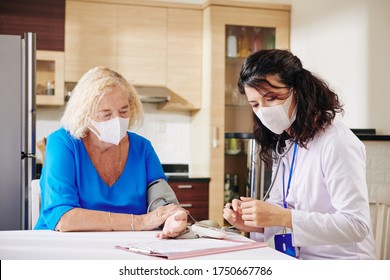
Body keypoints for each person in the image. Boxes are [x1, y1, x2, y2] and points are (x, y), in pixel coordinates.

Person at [223, 49, 376, 259]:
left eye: (272, 98)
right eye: (255, 104)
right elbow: (282, 209)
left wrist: (284, 217)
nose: (264, 110)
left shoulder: (336, 142)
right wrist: (253, 222)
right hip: (301, 258)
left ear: (298, 90)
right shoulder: (286, 143)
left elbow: (356, 225)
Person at [35, 66, 187, 238]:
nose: (117, 120)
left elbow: (160, 201)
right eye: (105, 114)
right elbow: (63, 219)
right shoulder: (62, 143)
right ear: (84, 114)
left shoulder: (142, 148)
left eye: (123, 111)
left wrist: (172, 218)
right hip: (61, 246)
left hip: (127, 246)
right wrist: (140, 222)